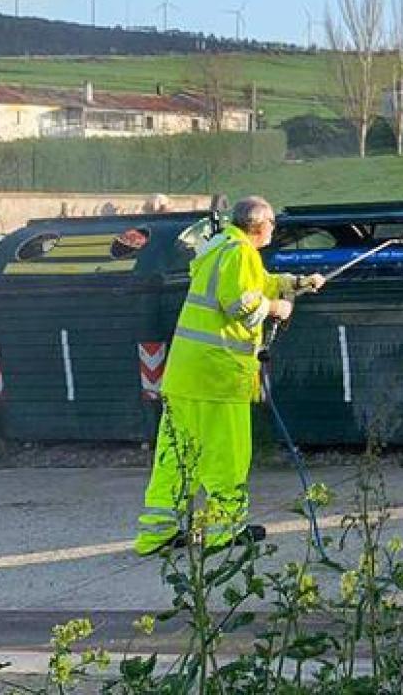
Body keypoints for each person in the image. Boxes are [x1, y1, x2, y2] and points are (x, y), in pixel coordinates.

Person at [133, 196, 324, 554]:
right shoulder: (239, 252)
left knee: (177, 455)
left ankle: (157, 532)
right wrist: (276, 308)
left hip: (187, 374)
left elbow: (256, 282)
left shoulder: (220, 246)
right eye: (271, 225)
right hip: (218, 376)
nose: (273, 230)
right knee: (227, 454)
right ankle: (225, 530)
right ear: (258, 226)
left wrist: (295, 284)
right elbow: (240, 303)